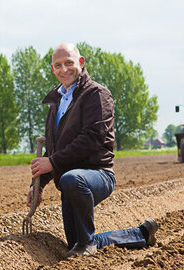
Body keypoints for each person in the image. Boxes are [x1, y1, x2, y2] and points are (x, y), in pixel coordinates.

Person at [27, 43, 158, 258]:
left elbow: (93, 138)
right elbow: (52, 150)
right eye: (58, 65)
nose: (64, 69)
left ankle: (86, 244)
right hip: (71, 182)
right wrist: (38, 185)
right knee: (76, 242)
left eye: (69, 63)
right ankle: (140, 234)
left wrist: (53, 162)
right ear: (52, 69)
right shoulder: (56, 101)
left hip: (97, 174)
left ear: (81, 62)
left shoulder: (97, 94)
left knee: (71, 180)